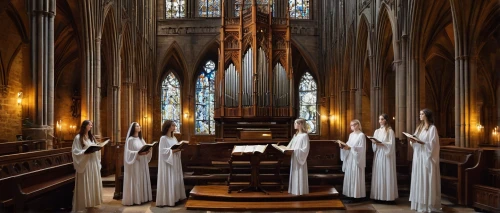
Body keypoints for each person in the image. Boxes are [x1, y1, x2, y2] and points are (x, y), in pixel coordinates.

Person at [409, 109, 441, 212]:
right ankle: (420, 204)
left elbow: (434, 145)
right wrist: (413, 141)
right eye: (420, 114)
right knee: (419, 178)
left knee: (426, 179)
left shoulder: (432, 129)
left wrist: (423, 144)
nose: (420, 115)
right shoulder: (419, 128)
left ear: (427, 115)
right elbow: (415, 141)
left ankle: (428, 205)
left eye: (422, 114)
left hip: (427, 158)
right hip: (419, 157)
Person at [71, 120, 103, 212]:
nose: (91, 126)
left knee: (92, 182)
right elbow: (75, 152)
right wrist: (85, 152)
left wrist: (98, 147)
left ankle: (91, 203)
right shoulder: (78, 138)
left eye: (92, 125)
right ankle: (84, 204)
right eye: (90, 125)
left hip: (93, 163)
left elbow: (95, 147)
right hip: (85, 164)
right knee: (86, 182)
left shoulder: (91, 137)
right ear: (85, 126)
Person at [156, 120, 186, 207]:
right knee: (170, 178)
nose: (174, 127)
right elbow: (162, 151)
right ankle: (168, 200)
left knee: (175, 179)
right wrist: (173, 150)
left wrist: (179, 149)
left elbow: (175, 148)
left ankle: (176, 198)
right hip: (168, 162)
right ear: (168, 127)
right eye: (173, 125)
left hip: (175, 161)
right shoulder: (163, 138)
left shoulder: (174, 138)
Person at [370, 114, 398, 203]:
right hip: (378, 154)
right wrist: (374, 142)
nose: (380, 121)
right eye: (379, 119)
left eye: (381, 119)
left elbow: (391, 144)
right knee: (379, 173)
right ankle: (378, 196)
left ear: (385, 120)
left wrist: (382, 143)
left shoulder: (390, 131)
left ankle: (388, 197)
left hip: (386, 156)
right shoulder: (377, 131)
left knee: (386, 173)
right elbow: (374, 143)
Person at [122, 122, 153, 205]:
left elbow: (144, 148)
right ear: (133, 128)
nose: (139, 127)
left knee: (141, 179)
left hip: (142, 163)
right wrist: (137, 153)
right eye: (137, 126)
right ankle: (135, 199)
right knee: (136, 180)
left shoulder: (140, 139)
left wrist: (148, 151)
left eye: (139, 126)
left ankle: (142, 198)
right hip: (135, 163)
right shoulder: (130, 139)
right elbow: (128, 152)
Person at [339, 119, 366, 201]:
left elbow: (361, 148)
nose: (352, 126)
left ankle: (356, 195)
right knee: (349, 175)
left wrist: (350, 148)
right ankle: (349, 194)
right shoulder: (351, 135)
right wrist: (343, 146)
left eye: (354, 124)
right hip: (350, 158)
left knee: (355, 175)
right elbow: (348, 144)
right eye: (351, 125)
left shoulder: (361, 135)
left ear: (358, 125)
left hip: (356, 159)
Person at [286, 118, 310, 195]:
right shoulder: (296, 135)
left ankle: (300, 190)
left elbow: (305, 149)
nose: (294, 125)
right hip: (294, 157)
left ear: (300, 125)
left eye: (296, 123)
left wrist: (296, 150)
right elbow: (290, 146)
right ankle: (295, 190)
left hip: (300, 157)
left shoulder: (304, 136)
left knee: (299, 172)